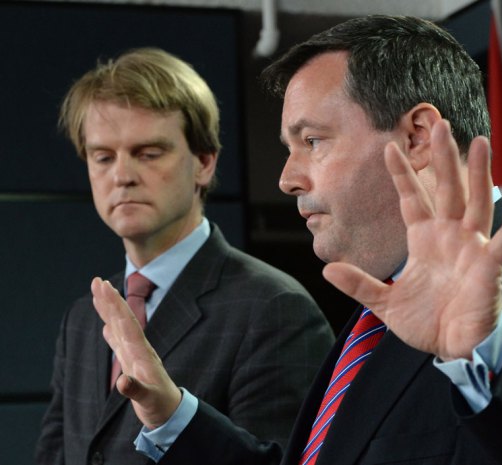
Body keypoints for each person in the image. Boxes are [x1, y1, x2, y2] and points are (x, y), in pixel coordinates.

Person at [87, 16, 502, 465]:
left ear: (417, 137)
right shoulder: (378, 307)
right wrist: (171, 415)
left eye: (312, 140)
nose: (287, 179)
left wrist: (487, 349)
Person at [35, 47, 334, 465]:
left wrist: (170, 418)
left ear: (204, 163)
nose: (121, 175)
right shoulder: (83, 319)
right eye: (103, 157)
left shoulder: (275, 309)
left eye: (148, 153)